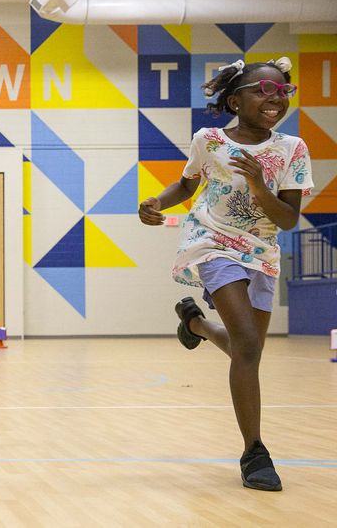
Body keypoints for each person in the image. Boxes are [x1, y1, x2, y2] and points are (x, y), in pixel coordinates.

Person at [139, 57, 313, 492]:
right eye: (262, 90)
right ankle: (254, 451)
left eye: (282, 92)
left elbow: (289, 218)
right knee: (249, 347)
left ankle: (195, 323)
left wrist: (259, 187)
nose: (274, 99)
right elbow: (187, 184)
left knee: (242, 348)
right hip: (212, 241)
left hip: (262, 250)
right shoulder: (210, 140)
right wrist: (158, 203)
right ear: (235, 100)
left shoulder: (293, 149)